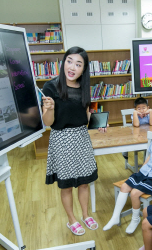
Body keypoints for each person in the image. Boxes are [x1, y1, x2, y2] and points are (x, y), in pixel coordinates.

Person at [42, 47, 106, 236]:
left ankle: (86, 215)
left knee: (85, 182)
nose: (72, 67)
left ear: (83, 69)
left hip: (81, 138)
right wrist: (50, 108)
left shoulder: (85, 87)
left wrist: (98, 123)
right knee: (67, 184)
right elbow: (48, 122)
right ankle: (72, 219)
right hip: (62, 139)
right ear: (63, 62)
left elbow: (86, 116)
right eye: (69, 61)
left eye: (78, 64)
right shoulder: (50, 87)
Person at [104, 116, 152, 234]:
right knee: (124, 187)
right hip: (145, 172)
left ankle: (135, 219)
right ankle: (115, 216)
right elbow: (150, 156)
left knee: (134, 193)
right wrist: (142, 169)